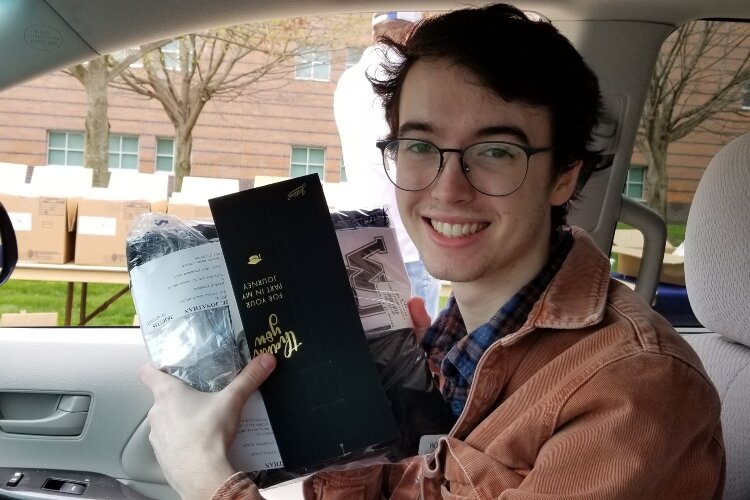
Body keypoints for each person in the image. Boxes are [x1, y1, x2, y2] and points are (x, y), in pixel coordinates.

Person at [139, 4, 725, 499]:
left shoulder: (632, 389)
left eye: (496, 151)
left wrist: (209, 480)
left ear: (564, 176)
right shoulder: (453, 344)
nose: (447, 189)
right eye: (420, 144)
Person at [333, 10, 442, 320]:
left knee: (379, 344)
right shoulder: (411, 79)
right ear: (412, 33)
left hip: (358, 237)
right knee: (419, 350)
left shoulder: (348, 80)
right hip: (406, 244)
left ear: (374, 33)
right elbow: (408, 163)